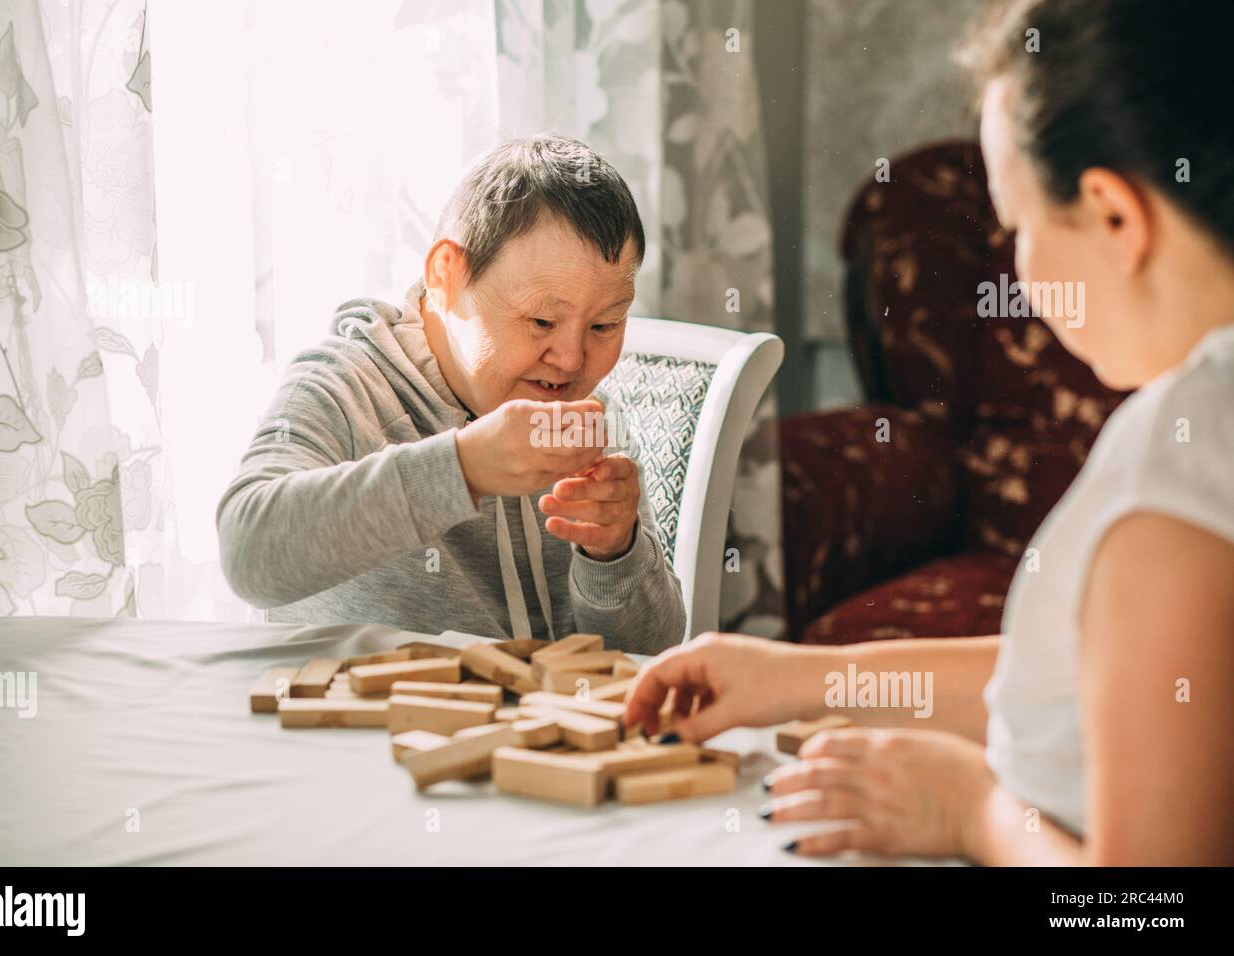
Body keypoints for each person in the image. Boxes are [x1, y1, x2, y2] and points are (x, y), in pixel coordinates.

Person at [626, 0, 1234, 865]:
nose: (1016, 273)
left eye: (1015, 226)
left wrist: (971, 814)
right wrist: (799, 679)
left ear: (1112, 216)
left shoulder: (1177, 480)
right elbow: (1080, 686)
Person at [217, 134, 686, 653]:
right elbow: (246, 553)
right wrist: (463, 468)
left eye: (605, 325)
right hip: (368, 727)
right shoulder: (346, 388)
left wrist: (614, 555)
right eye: (541, 320)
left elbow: (654, 653)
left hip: (537, 729)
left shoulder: (586, 416)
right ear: (447, 276)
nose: (572, 360)